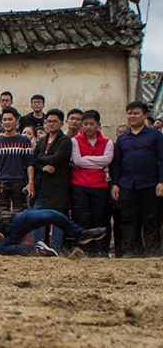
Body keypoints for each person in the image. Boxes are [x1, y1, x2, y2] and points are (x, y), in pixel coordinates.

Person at [0, 183, 105, 257]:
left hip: (14, 221)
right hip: (4, 237)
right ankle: (39, 250)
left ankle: (81, 234)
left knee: (50, 214)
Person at [110, 101, 163, 257]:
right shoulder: (122, 138)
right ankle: (130, 251)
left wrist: (161, 181)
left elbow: (162, 159)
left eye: (136, 113)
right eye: (129, 113)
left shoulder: (155, 136)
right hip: (127, 183)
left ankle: (152, 252)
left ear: (145, 115)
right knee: (128, 219)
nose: (132, 116)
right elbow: (117, 163)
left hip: (150, 183)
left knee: (151, 219)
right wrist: (115, 184)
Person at [71, 109, 113, 257]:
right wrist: (97, 163)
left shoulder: (107, 142)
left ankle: (100, 250)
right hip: (79, 184)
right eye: (85, 124)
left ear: (98, 124)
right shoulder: (75, 140)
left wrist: (86, 161)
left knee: (99, 218)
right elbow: (77, 160)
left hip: (100, 186)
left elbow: (107, 160)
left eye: (91, 124)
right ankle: (84, 250)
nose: (88, 127)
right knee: (82, 218)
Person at [31, 108, 72, 250]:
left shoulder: (65, 141)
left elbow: (55, 159)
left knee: (57, 218)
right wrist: (43, 166)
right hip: (41, 185)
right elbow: (33, 159)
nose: (51, 124)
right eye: (49, 121)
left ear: (61, 123)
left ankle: (55, 248)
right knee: (38, 217)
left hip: (57, 186)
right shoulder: (42, 140)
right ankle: (39, 248)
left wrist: (40, 158)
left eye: (55, 121)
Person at [0, 108, 34, 214]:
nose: (7, 122)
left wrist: (30, 183)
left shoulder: (25, 141)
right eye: (4, 120)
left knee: (20, 213)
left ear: (17, 121)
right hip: (1, 182)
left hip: (19, 181)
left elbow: (29, 163)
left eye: (10, 119)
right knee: (1, 213)